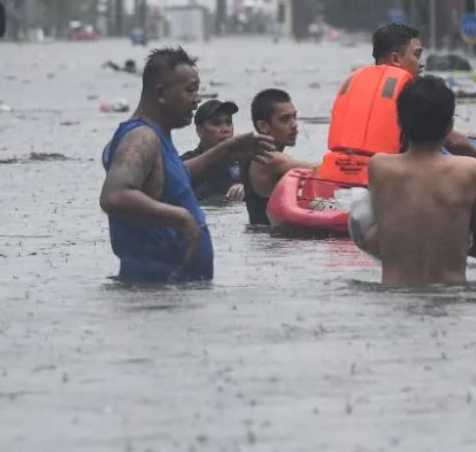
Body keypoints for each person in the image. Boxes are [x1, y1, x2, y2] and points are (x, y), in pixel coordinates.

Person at [99, 47, 274, 282]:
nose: (197, 99)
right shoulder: (142, 137)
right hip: (154, 292)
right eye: (190, 90)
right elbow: (115, 196)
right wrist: (182, 217)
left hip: (175, 292)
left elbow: (178, 178)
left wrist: (226, 150)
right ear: (161, 93)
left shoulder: (155, 137)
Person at [360, 76, 476, 286]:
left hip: (393, 297)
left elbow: (374, 239)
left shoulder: (379, 167)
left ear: (399, 123)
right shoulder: (469, 170)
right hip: (452, 296)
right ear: (450, 125)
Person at [320, 22, 476, 184]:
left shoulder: (353, 81)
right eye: (416, 55)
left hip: (336, 175)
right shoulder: (411, 92)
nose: (422, 63)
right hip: (386, 181)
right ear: (395, 59)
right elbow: (451, 140)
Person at [241, 88, 315, 226]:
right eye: (285, 119)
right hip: (271, 241)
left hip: (262, 240)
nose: (294, 125)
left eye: (295, 117)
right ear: (263, 126)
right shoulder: (269, 158)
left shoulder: (256, 155)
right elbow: (319, 171)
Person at [180, 99, 244, 203]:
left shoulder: (244, 161)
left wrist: (246, 188)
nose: (226, 129)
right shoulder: (186, 163)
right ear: (200, 131)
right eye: (216, 123)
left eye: (228, 123)